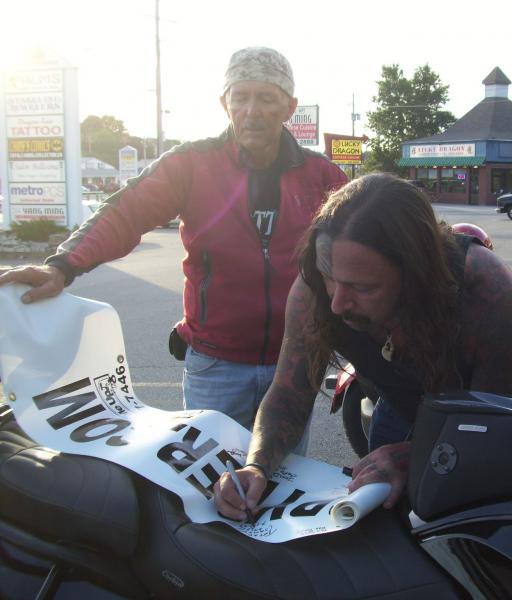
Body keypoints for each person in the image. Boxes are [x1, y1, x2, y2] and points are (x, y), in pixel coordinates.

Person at [0, 47, 348, 433]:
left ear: (289, 107)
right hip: (216, 366)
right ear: (224, 103)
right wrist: (62, 266)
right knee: (207, 468)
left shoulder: (322, 176)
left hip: (294, 362)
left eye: (266, 98)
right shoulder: (191, 164)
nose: (252, 110)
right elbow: (124, 212)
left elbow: (365, 241)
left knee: (282, 466)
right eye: (241, 97)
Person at [214, 173, 512, 518]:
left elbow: (496, 431)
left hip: (468, 423)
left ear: (416, 275)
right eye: (329, 277)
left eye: (362, 288)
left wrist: (414, 455)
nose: (337, 304)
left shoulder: (488, 293)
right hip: (395, 411)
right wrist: (256, 466)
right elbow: (290, 393)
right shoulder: (314, 291)